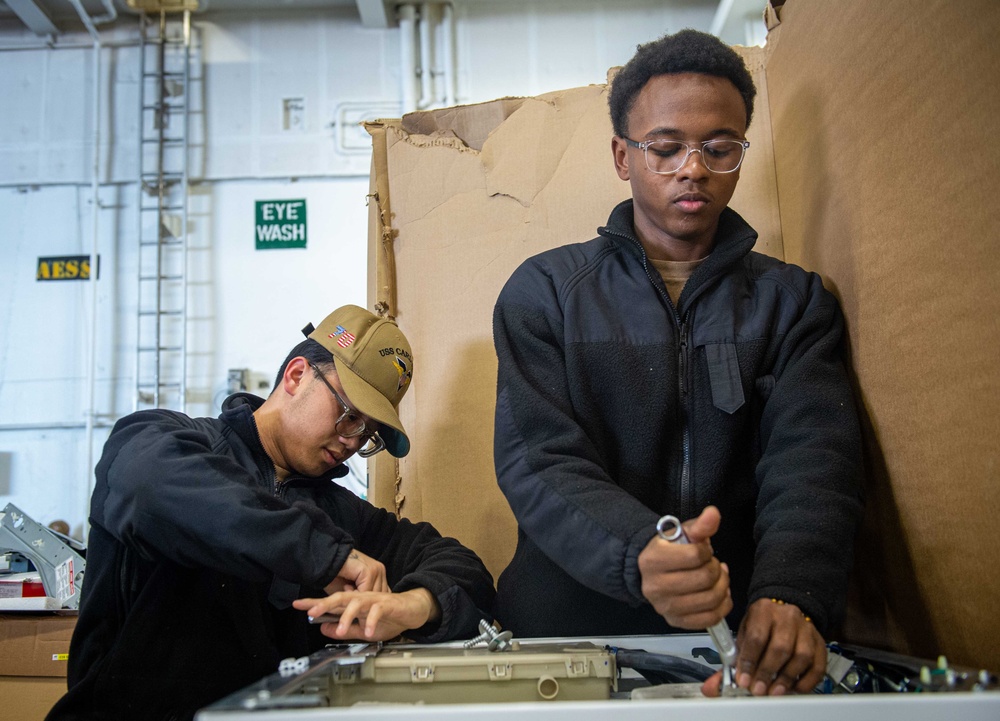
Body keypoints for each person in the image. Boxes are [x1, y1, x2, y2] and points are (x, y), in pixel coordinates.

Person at [491, 29, 863, 697]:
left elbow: (814, 459)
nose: (693, 167)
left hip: (734, 648)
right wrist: (640, 549)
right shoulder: (544, 293)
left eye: (720, 148)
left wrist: (792, 592)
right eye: (665, 148)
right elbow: (539, 460)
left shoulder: (793, 303)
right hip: (562, 643)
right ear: (622, 156)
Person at [48, 305, 495, 720]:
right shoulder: (162, 443)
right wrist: (328, 557)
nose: (352, 441)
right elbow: (156, 488)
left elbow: (463, 569)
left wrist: (414, 605)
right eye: (348, 414)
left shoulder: (344, 518)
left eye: (368, 433)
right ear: (297, 375)